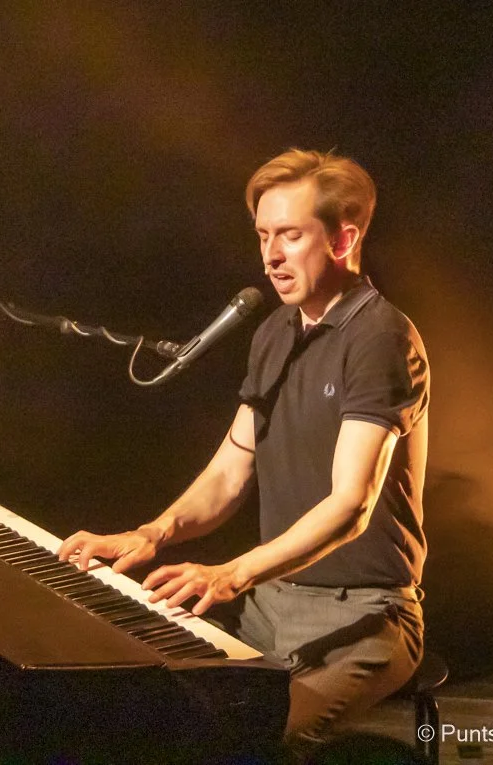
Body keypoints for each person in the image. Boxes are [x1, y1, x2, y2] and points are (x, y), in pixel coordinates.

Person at [58, 149, 429, 752]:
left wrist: (233, 572)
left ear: (343, 239)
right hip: (269, 603)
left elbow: (351, 505)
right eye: (263, 235)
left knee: (258, 740)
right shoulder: (275, 331)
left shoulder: (380, 338)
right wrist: (152, 533)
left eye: (291, 235)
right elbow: (231, 472)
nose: (270, 256)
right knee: (143, 704)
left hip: (366, 614)